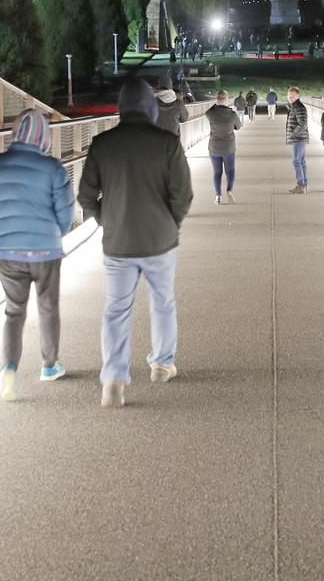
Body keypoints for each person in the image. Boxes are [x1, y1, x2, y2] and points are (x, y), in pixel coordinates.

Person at [78, 78, 194, 408]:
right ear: (150, 106)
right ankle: (161, 363)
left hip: (118, 242)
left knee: (116, 310)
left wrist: (106, 218)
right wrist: (171, 223)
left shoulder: (102, 144)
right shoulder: (167, 142)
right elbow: (183, 194)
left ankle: (113, 379)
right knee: (163, 302)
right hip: (160, 240)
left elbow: (86, 196)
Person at [0, 109, 75, 402]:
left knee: (13, 312)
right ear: (43, 137)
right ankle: (49, 366)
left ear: (14, 133)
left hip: (7, 250)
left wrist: (4, 231)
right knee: (48, 307)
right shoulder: (54, 168)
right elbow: (65, 211)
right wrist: (54, 234)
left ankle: (9, 369)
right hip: (46, 250)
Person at [205, 89, 242, 205]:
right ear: (226, 100)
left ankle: (218, 196)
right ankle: (229, 190)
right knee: (230, 171)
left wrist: (216, 105)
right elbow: (238, 126)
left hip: (214, 147)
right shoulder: (232, 114)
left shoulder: (211, 113)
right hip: (228, 148)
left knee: (217, 172)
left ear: (216, 100)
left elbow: (208, 112)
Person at [285, 86, 309, 194]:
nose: (290, 97)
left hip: (298, 138)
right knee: (301, 162)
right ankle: (303, 185)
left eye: (293, 96)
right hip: (299, 138)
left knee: (296, 162)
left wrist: (293, 133)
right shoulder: (294, 106)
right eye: (289, 95)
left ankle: (301, 185)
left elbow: (302, 123)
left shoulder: (298, 107)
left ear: (298, 96)